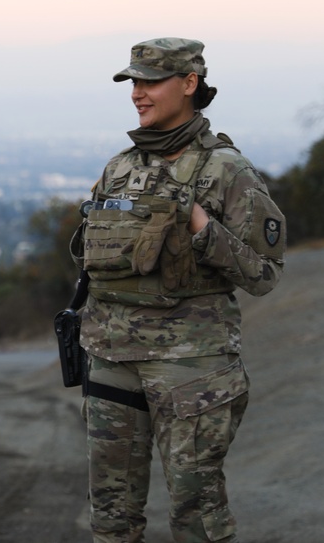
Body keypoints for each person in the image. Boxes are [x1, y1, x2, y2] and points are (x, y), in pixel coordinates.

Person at [68, 38, 286, 542]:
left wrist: (200, 227)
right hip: (112, 357)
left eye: (150, 81)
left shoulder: (227, 170)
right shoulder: (120, 167)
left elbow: (265, 274)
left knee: (196, 514)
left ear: (189, 84)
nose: (138, 94)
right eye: (134, 83)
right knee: (111, 514)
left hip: (191, 369)